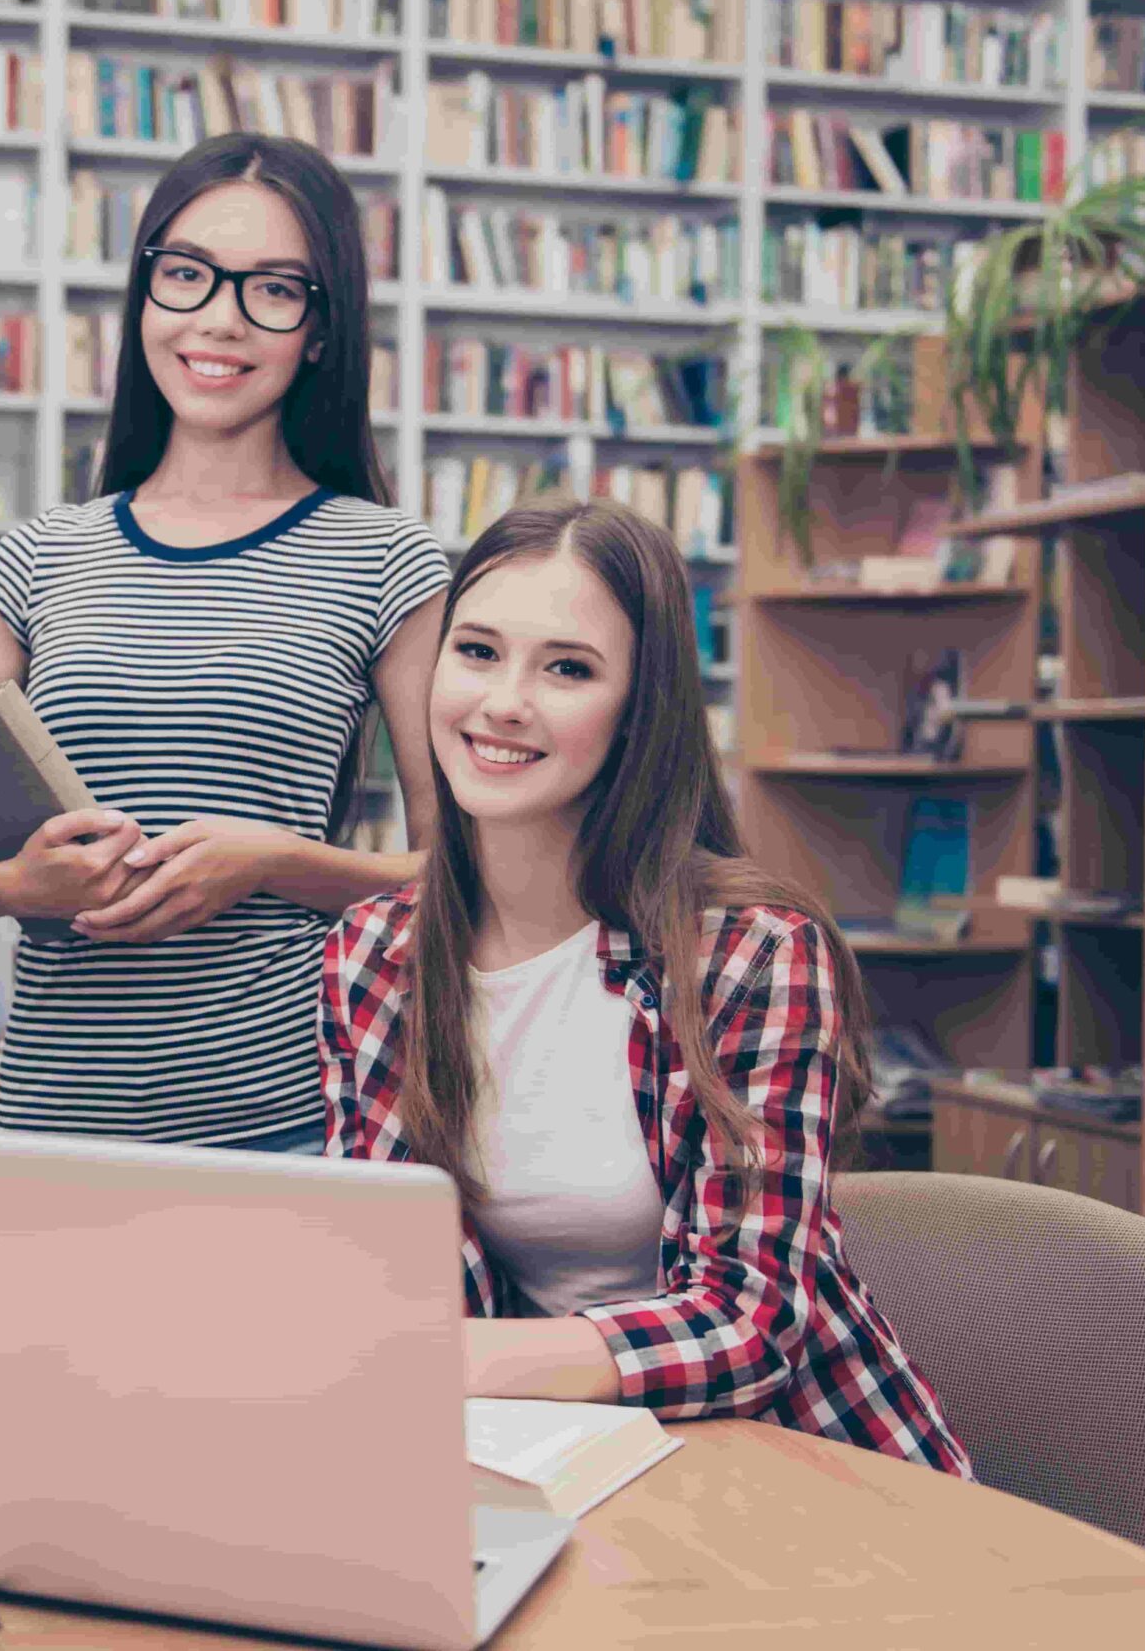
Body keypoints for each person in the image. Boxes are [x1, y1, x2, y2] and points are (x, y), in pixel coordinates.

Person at [320, 497, 971, 1474]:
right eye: (477, 650)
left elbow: (751, 1321)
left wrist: (459, 1357)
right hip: (543, 1454)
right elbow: (394, 1275)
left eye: (567, 668)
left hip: (803, 1464)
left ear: (638, 712)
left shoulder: (748, 952)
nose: (502, 700)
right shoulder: (377, 953)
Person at [0, 132, 451, 1154]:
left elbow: (465, 872)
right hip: (49, 1122)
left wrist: (269, 859)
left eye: (272, 288)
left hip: (282, 1120)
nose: (217, 317)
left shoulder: (385, 558)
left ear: (320, 330)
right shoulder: (42, 555)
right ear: (142, 299)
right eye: (185, 276)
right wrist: (14, 887)